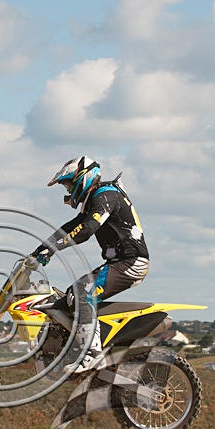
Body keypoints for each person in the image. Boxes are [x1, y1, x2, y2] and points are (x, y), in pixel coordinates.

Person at [31, 156, 149, 373]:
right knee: (67, 298)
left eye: (69, 185)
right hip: (120, 262)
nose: (68, 190)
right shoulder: (97, 199)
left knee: (82, 294)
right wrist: (39, 250)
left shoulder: (106, 195)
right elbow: (71, 227)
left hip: (131, 262)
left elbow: (86, 229)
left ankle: (93, 353)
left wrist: (54, 249)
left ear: (83, 179)